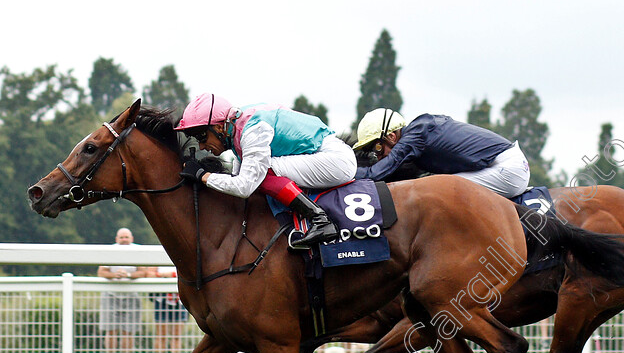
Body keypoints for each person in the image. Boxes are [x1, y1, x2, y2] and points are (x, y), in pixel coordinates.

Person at [173, 93, 357, 248]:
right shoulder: (239, 129)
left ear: (220, 126)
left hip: (335, 160)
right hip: (325, 156)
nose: (202, 146)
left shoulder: (252, 130)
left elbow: (244, 187)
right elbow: (237, 182)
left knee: (261, 174)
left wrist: (202, 176)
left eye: (202, 136)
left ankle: (320, 220)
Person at [354, 109, 531, 198]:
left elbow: (375, 174)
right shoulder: (419, 132)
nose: (378, 157)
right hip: (505, 166)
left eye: (377, 148)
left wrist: (341, 172)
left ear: (391, 136)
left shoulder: (416, 134)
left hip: (508, 169)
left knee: (434, 191)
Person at [97, 228, 149, 353]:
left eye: (126, 237)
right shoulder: (110, 250)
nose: (124, 240)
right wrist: (115, 275)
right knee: (111, 329)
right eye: (121, 237)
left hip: (132, 294)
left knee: (129, 330)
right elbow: (101, 272)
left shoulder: (138, 250)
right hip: (111, 294)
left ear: (131, 238)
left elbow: (143, 272)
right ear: (116, 239)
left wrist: (128, 275)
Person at [149, 266, 188, 353]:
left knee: (176, 334)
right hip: (161, 300)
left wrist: (172, 275)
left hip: (179, 301)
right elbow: (149, 274)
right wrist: (163, 275)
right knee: (161, 334)